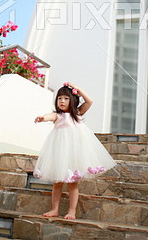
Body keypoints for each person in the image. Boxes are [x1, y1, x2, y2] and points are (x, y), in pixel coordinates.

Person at [34, 82, 116, 220]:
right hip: (59, 153)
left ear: (72, 100)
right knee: (57, 183)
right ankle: (55, 209)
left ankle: (72, 211)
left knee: (72, 183)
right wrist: (43, 118)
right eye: (59, 98)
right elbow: (50, 116)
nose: (62, 101)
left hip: (74, 153)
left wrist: (77, 89)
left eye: (66, 98)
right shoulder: (57, 115)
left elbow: (89, 101)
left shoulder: (77, 113)